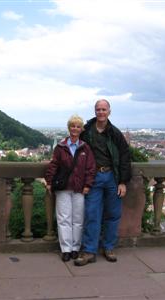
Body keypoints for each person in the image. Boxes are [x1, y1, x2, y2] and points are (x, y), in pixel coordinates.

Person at [74, 99, 131, 266]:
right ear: (94, 111)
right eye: (98, 109)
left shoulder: (115, 133)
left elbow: (125, 157)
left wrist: (122, 182)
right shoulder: (87, 131)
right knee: (92, 213)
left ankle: (108, 247)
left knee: (113, 215)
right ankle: (89, 251)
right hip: (93, 177)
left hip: (112, 177)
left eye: (104, 109)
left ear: (109, 112)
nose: (101, 112)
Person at [45, 115, 96, 262]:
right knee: (63, 219)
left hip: (79, 188)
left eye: (78, 126)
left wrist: (88, 185)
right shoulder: (60, 147)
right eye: (72, 126)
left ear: (81, 129)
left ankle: (75, 248)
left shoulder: (85, 147)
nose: (75, 129)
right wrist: (49, 181)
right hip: (63, 187)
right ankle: (66, 249)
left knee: (78, 219)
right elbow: (53, 165)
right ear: (69, 128)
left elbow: (91, 168)